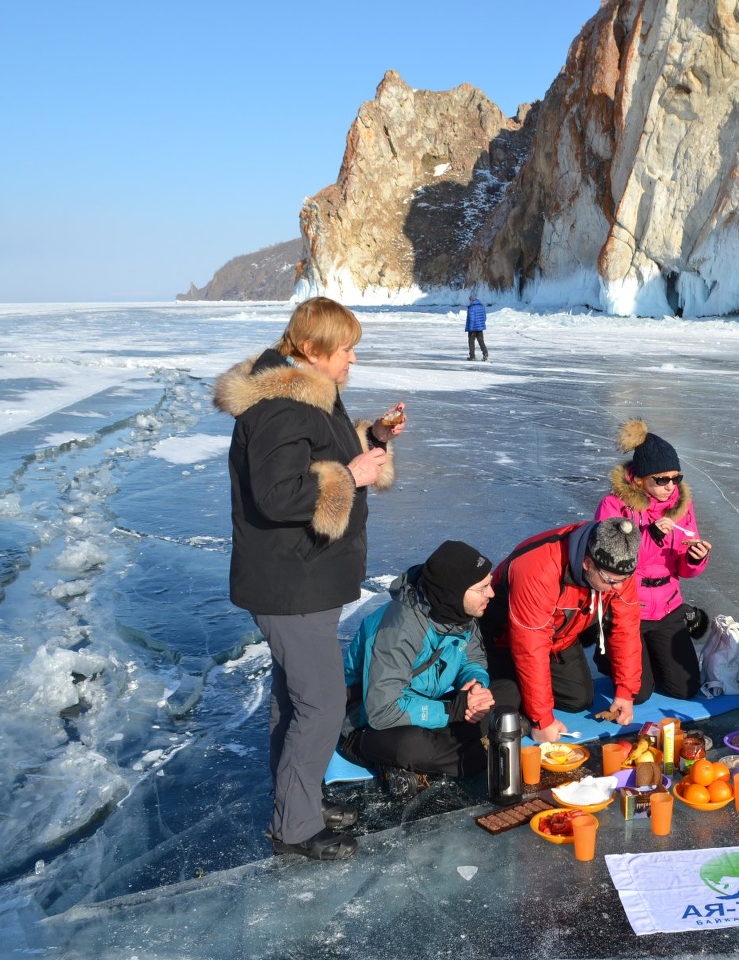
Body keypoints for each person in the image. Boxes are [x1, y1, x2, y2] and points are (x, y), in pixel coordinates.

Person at [214, 296, 405, 861]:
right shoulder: (284, 407)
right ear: (314, 350)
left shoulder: (310, 396)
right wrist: (351, 472)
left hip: (304, 579)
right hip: (289, 583)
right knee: (320, 704)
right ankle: (295, 830)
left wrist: (376, 442)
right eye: (346, 349)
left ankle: (297, 803)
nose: (352, 360)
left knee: (296, 702)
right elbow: (277, 495)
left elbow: (325, 457)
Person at [340, 540, 517, 799]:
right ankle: (402, 758)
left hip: (426, 704)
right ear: (454, 592)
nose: (491, 593)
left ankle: (449, 745)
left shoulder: (461, 613)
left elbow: (474, 658)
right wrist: (453, 710)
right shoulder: (399, 629)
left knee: (507, 692)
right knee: (423, 749)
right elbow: (382, 710)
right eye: (482, 588)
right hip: (368, 721)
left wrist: (475, 686)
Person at [480, 517, 642, 742]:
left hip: (561, 637)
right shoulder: (538, 568)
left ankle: (531, 696)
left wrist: (626, 691)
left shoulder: (617, 564)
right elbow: (530, 647)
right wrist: (541, 720)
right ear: (587, 563)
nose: (619, 587)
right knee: (510, 699)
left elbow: (626, 627)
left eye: (625, 579)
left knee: (579, 700)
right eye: (611, 581)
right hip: (505, 639)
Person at [593, 419, 711, 700]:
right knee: (638, 692)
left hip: (668, 604)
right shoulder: (614, 505)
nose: (671, 486)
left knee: (684, 689)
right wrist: (650, 537)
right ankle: (608, 651)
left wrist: (695, 558)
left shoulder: (682, 506)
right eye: (662, 479)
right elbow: (610, 560)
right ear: (640, 478)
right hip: (628, 606)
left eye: (676, 478)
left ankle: (650, 652)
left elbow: (685, 567)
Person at [465, 293, 489, 361]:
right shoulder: (481, 306)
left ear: (471, 300)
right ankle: (485, 354)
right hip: (480, 328)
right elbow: (484, 317)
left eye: (469, 300)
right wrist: (481, 324)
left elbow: (471, 319)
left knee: (471, 342)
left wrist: (471, 329)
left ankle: (472, 356)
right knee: (481, 341)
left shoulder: (471, 308)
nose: (469, 302)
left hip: (473, 328)